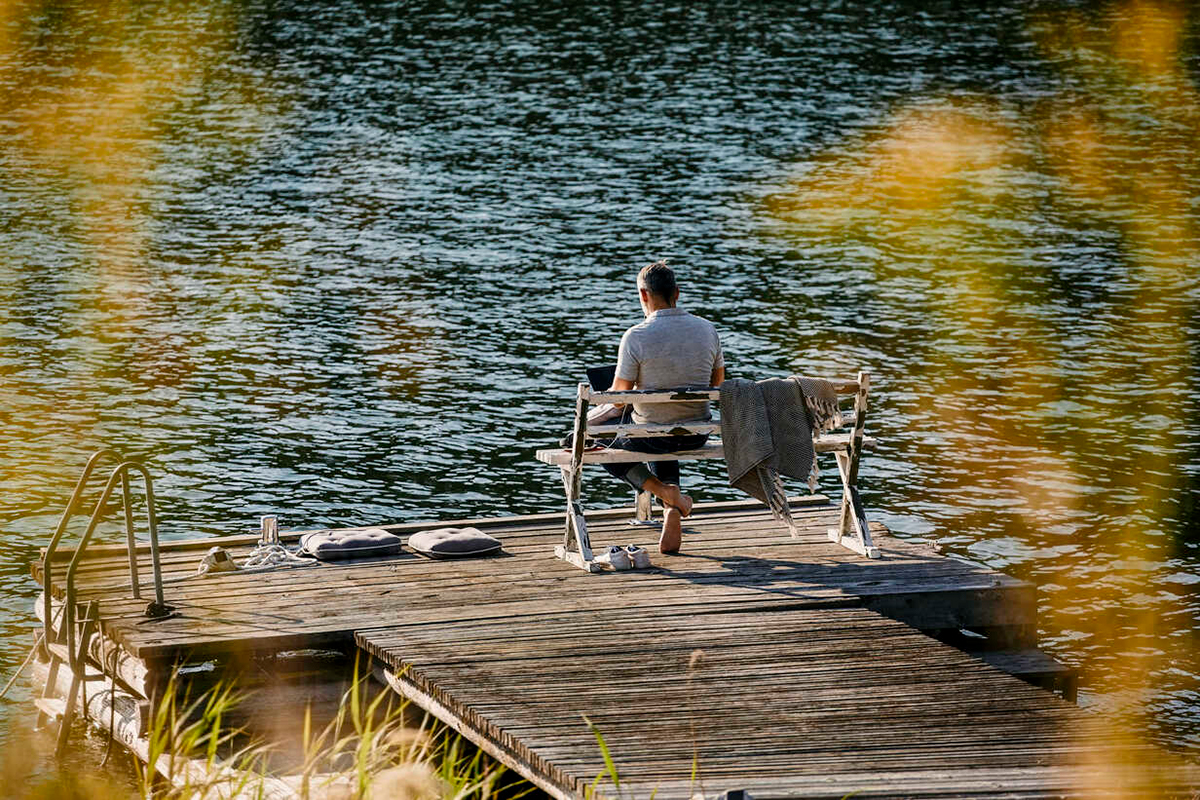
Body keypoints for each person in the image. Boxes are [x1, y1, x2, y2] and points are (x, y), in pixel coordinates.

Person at [602, 260, 725, 554]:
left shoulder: (636, 336)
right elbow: (717, 385)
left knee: (596, 444)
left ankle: (664, 492)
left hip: (652, 434)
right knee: (662, 426)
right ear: (677, 293)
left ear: (644, 295)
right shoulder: (707, 330)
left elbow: (619, 399)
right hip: (697, 432)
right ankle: (671, 502)